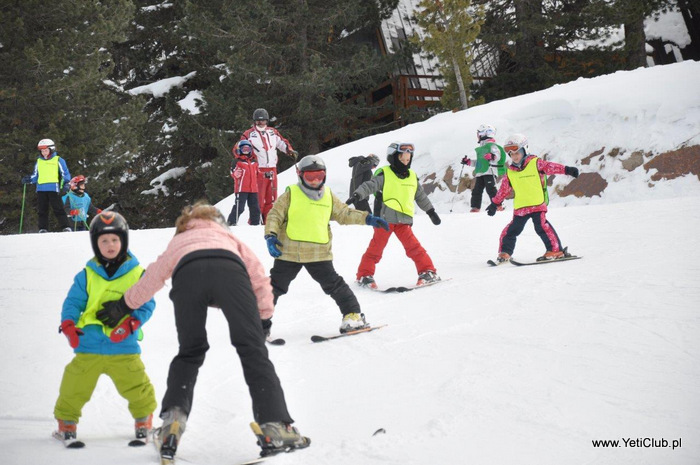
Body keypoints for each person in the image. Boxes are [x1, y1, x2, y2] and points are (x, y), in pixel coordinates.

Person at [95, 202, 309, 461]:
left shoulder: (180, 239)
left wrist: (122, 306)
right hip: (230, 271)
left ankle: (171, 423)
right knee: (253, 351)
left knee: (190, 351)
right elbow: (258, 276)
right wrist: (263, 317)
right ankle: (275, 425)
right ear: (219, 222)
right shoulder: (228, 237)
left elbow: (152, 277)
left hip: (188, 273)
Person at [53, 212, 156, 447]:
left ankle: (143, 419)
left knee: (135, 384)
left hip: (123, 342)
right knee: (74, 385)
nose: (110, 245)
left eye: (115, 240)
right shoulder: (87, 274)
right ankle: (66, 422)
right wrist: (69, 324)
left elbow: (147, 302)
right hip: (88, 342)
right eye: (104, 241)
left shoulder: (137, 273)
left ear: (124, 241)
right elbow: (73, 302)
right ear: (95, 244)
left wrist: (131, 323)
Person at [264, 155, 389, 333]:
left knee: (335, 285)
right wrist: (270, 235)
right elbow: (275, 215)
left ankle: (352, 316)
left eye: (320, 176)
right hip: (289, 252)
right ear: (300, 175)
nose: (315, 181)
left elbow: (344, 214)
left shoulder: (328, 195)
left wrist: (367, 218)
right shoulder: (290, 194)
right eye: (310, 176)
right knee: (275, 287)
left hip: (318, 252)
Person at [348, 142, 442, 289]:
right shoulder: (385, 174)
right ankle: (364, 275)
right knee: (375, 249)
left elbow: (421, 196)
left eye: (407, 160)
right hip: (384, 220)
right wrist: (357, 194)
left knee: (414, 248)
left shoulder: (412, 177)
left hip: (404, 220)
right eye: (402, 159)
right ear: (393, 158)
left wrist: (431, 212)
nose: (405, 162)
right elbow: (369, 185)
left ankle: (427, 271)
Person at [486, 134, 580, 262]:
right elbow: (504, 190)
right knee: (510, 231)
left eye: (517, 152)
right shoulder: (510, 171)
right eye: (511, 154)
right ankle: (505, 253)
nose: (514, 156)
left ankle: (555, 250)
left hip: (537, 204)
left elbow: (551, 167)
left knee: (542, 227)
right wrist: (495, 203)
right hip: (521, 207)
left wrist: (567, 170)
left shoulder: (536, 163)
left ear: (525, 149)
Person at [240, 108, 298, 223]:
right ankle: (255, 222)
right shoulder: (248, 134)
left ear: (267, 121)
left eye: (263, 121)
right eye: (258, 121)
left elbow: (282, 142)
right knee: (259, 198)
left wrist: (289, 150)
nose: (260, 123)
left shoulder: (272, 132)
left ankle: (269, 221)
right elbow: (240, 149)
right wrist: (248, 160)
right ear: (254, 121)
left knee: (271, 198)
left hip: (272, 168)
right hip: (258, 169)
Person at [21, 138, 72, 232]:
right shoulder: (39, 161)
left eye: (46, 150)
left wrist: (66, 183)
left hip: (53, 188)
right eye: (42, 151)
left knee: (58, 208)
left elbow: (65, 173)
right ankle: (43, 228)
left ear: (51, 149)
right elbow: (35, 175)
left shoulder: (58, 160)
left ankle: (66, 227)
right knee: (42, 210)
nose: (44, 152)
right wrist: (29, 179)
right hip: (41, 189)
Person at [460, 124, 507, 212]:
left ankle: (498, 205)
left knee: (491, 189)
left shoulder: (492, 145)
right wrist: (469, 162)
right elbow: (480, 162)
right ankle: (475, 207)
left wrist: (492, 156)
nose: (478, 135)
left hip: (490, 171)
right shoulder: (482, 148)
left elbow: (498, 155)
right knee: (476, 190)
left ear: (486, 133)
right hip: (481, 172)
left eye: (480, 133)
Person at [227, 140, 261, 226]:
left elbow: (258, 173)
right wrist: (234, 173)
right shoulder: (237, 161)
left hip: (253, 189)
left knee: (255, 208)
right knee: (240, 207)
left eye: (248, 149)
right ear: (239, 150)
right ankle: (231, 222)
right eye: (244, 149)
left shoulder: (254, 162)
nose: (246, 151)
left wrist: (266, 175)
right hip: (241, 188)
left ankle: (255, 224)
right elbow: (232, 171)